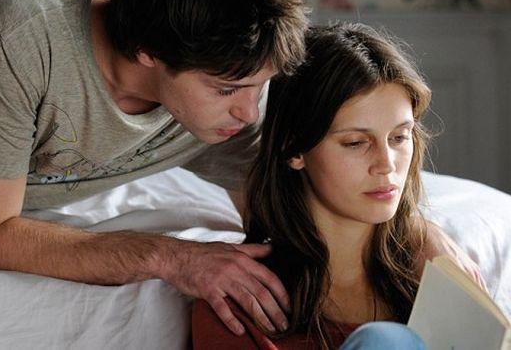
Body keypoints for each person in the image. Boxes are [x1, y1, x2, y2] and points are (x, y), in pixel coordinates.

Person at [0, 0, 480, 338]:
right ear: (147, 52)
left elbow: (290, 207)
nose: (250, 114)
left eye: (262, 85)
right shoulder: (18, 33)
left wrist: (417, 233)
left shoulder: (235, 84)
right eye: (227, 90)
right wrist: (174, 258)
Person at [192, 23, 479, 349]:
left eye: (400, 137)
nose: (386, 164)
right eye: (356, 142)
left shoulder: (437, 280)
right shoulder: (240, 300)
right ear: (295, 150)